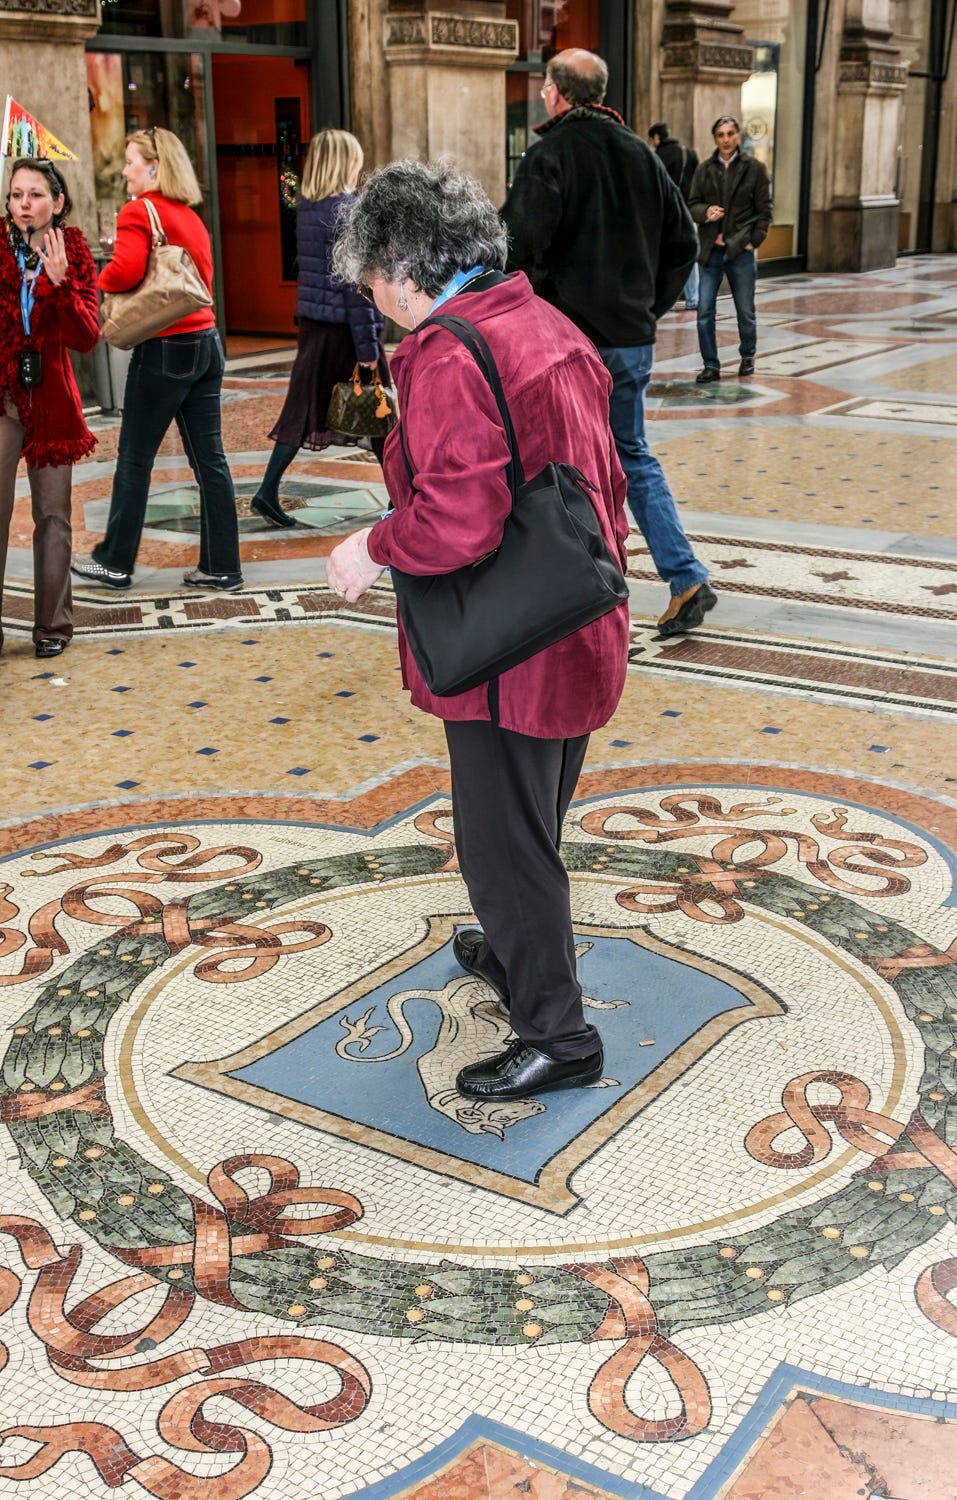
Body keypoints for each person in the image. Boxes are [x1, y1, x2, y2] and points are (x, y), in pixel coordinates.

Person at [325, 160, 630, 1102]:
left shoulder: (454, 354)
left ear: (407, 269)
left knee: (505, 845)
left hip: (513, 648)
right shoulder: (541, 321)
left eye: (372, 281)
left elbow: (458, 521)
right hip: (578, 612)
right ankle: (512, 955)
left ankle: (559, 1033)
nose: (373, 301)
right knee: (532, 818)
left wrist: (370, 546)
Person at [502, 49, 715, 639]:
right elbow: (683, 242)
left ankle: (580, 594)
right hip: (629, 339)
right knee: (630, 454)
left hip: (570, 342)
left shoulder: (551, 155)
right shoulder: (641, 155)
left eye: (545, 87)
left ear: (555, 93)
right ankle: (685, 576)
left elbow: (516, 243)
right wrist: (647, 307)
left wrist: (537, 305)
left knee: (559, 463)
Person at [72, 126, 242, 592]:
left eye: (130, 161)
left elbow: (125, 272)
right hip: (207, 343)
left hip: (165, 349)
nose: (123, 170)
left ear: (154, 166)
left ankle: (115, 561)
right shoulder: (189, 215)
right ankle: (222, 566)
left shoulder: (137, 212)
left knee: (134, 459)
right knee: (211, 461)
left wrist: (94, 274)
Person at [251, 129, 391, 528]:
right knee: (382, 410)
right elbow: (356, 288)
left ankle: (266, 490)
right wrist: (367, 350)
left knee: (302, 407)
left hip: (315, 324)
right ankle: (402, 499)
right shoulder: (350, 212)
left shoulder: (310, 208)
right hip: (347, 329)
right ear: (347, 162)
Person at [0, 157, 99, 658]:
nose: (23, 205)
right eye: (16, 194)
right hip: (2, 397)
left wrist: (61, 283)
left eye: (35, 195)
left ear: (57, 203)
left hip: (51, 399)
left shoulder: (75, 252)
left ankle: (53, 627)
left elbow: (87, 338)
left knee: (54, 516)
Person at [689, 115, 773, 384]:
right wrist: (705, 212)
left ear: (738, 136)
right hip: (711, 250)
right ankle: (710, 364)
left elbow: (764, 210)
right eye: (720, 135)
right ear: (715, 139)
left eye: (730, 134)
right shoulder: (704, 169)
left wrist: (754, 240)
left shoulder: (755, 169)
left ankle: (747, 355)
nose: (725, 140)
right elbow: (691, 205)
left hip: (740, 250)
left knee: (745, 309)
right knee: (704, 311)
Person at [648, 122, 699, 310]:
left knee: (661, 256)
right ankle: (694, 298)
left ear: (656, 138)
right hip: (688, 212)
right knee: (689, 254)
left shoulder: (657, 157)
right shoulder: (690, 153)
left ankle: (663, 299)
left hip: (664, 215)